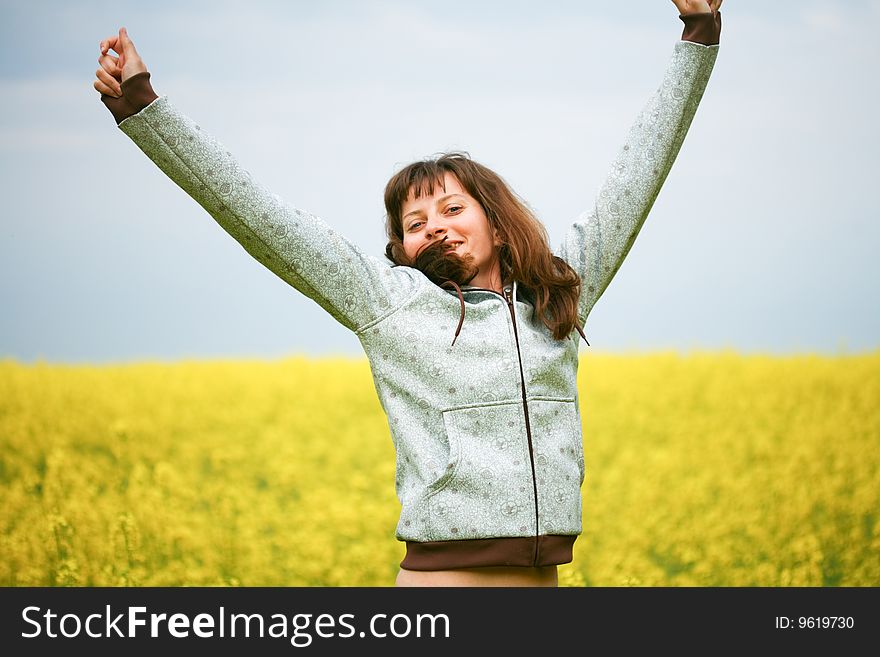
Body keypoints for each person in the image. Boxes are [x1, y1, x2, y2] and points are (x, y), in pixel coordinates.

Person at [94, 0, 723, 587]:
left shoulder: (557, 296)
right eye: (415, 225)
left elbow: (636, 177)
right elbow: (259, 216)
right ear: (402, 249)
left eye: (453, 208)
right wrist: (143, 108)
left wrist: (699, 36)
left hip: (544, 581)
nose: (436, 227)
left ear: (497, 224)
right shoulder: (388, 304)